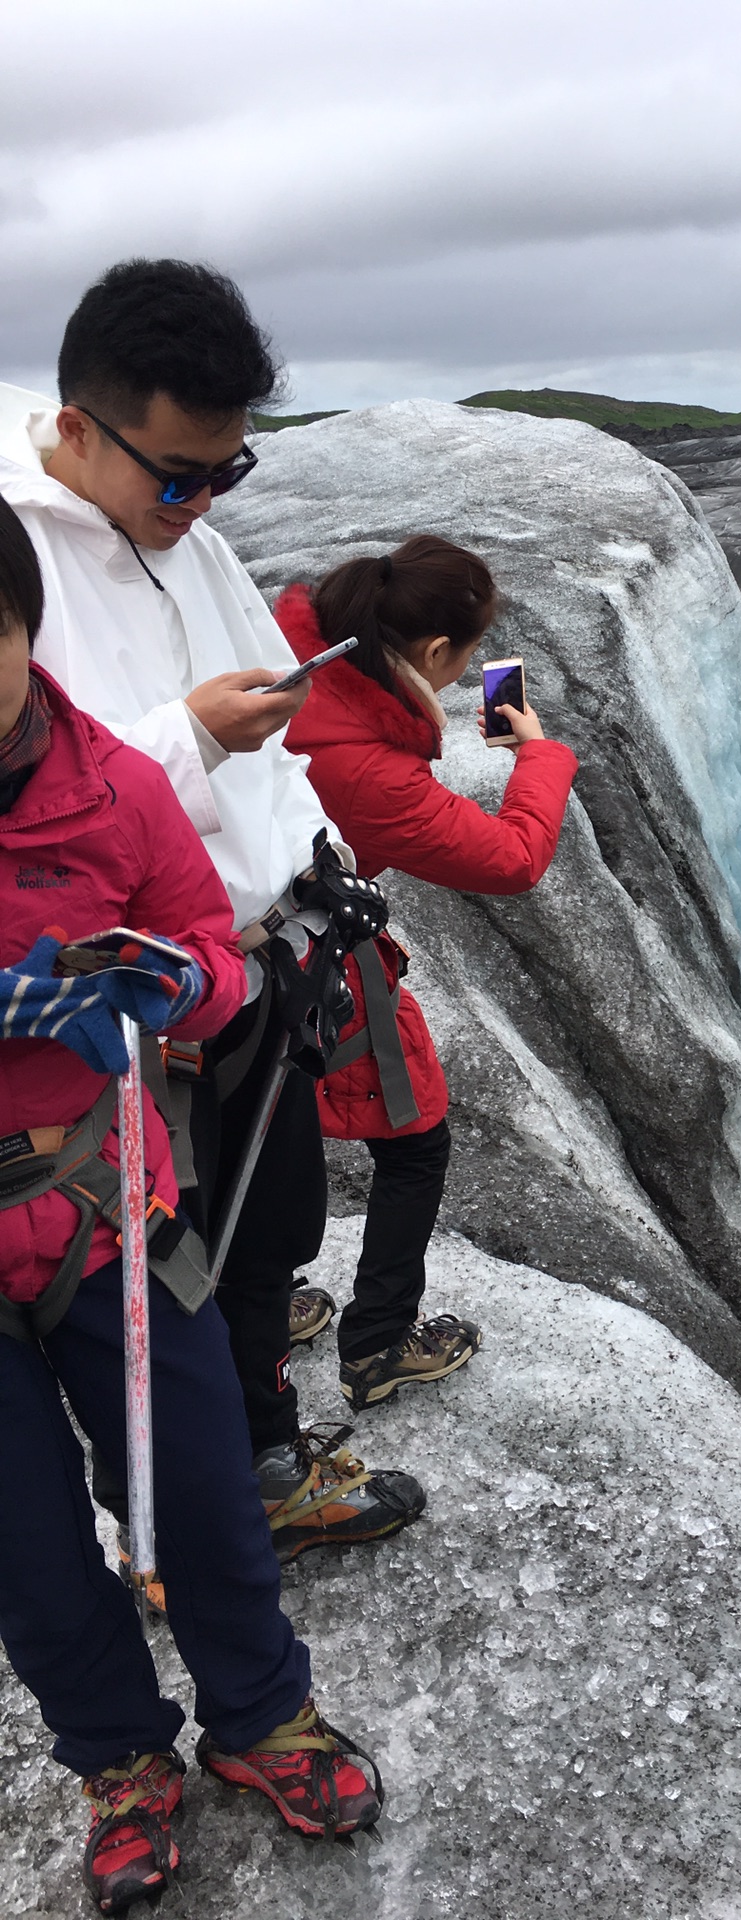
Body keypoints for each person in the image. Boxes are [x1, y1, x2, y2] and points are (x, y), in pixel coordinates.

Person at [0, 259, 424, 1590]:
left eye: (226, 476)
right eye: (179, 474)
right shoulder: (18, 575)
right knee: (186, 1251)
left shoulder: (198, 546)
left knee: (269, 1216)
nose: (200, 503)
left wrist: (334, 880)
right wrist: (188, 736)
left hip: (260, 964)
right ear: (77, 428)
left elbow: (280, 741)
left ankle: (243, 1431)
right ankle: (243, 1484)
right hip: (137, 1010)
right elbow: (40, 814)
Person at [0, 496, 383, 1916]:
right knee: (29, 1554)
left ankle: (259, 1720)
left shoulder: (116, 789)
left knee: (210, 1497)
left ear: (20, 628)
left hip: (102, 1206)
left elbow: (213, 968)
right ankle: (118, 1763)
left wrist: (171, 983)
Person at [274, 535, 577, 1408]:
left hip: (229, 952)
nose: (471, 671)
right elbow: (515, 858)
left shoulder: (295, 661)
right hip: (301, 958)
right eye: (470, 655)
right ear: (437, 653)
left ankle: (260, 1305)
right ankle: (374, 1346)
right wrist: (540, 755)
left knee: (253, 1128)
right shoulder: (368, 768)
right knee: (413, 1142)